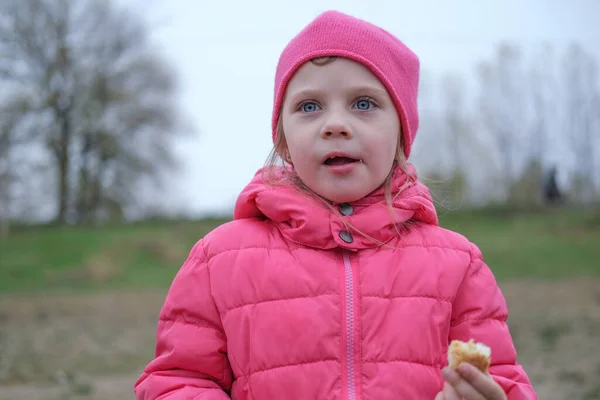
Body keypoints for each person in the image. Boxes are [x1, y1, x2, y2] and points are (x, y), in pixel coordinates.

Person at [134, 10, 537, 400]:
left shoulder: (458, 266)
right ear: (284, 140)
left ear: (401, 134)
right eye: (309, 106)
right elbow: (177, 378)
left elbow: (501, 378)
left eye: (364, 104)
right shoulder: (218, 260)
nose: (335, 124)